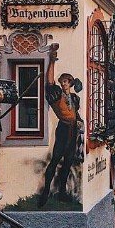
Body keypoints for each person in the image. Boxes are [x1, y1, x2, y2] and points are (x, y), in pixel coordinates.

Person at [39, 47, 83, 207]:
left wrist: (80, 123)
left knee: (69, 161)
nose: (64, 84)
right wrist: (52, 60)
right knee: (56, 158)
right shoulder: (56, 94)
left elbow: (75, 114)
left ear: (70, 83)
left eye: (67, 82)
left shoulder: (74, 98)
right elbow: (49, 82)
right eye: (63, 81)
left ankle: (62, 192)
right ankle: (45, 192)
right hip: (63, 129)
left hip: (73, 130)